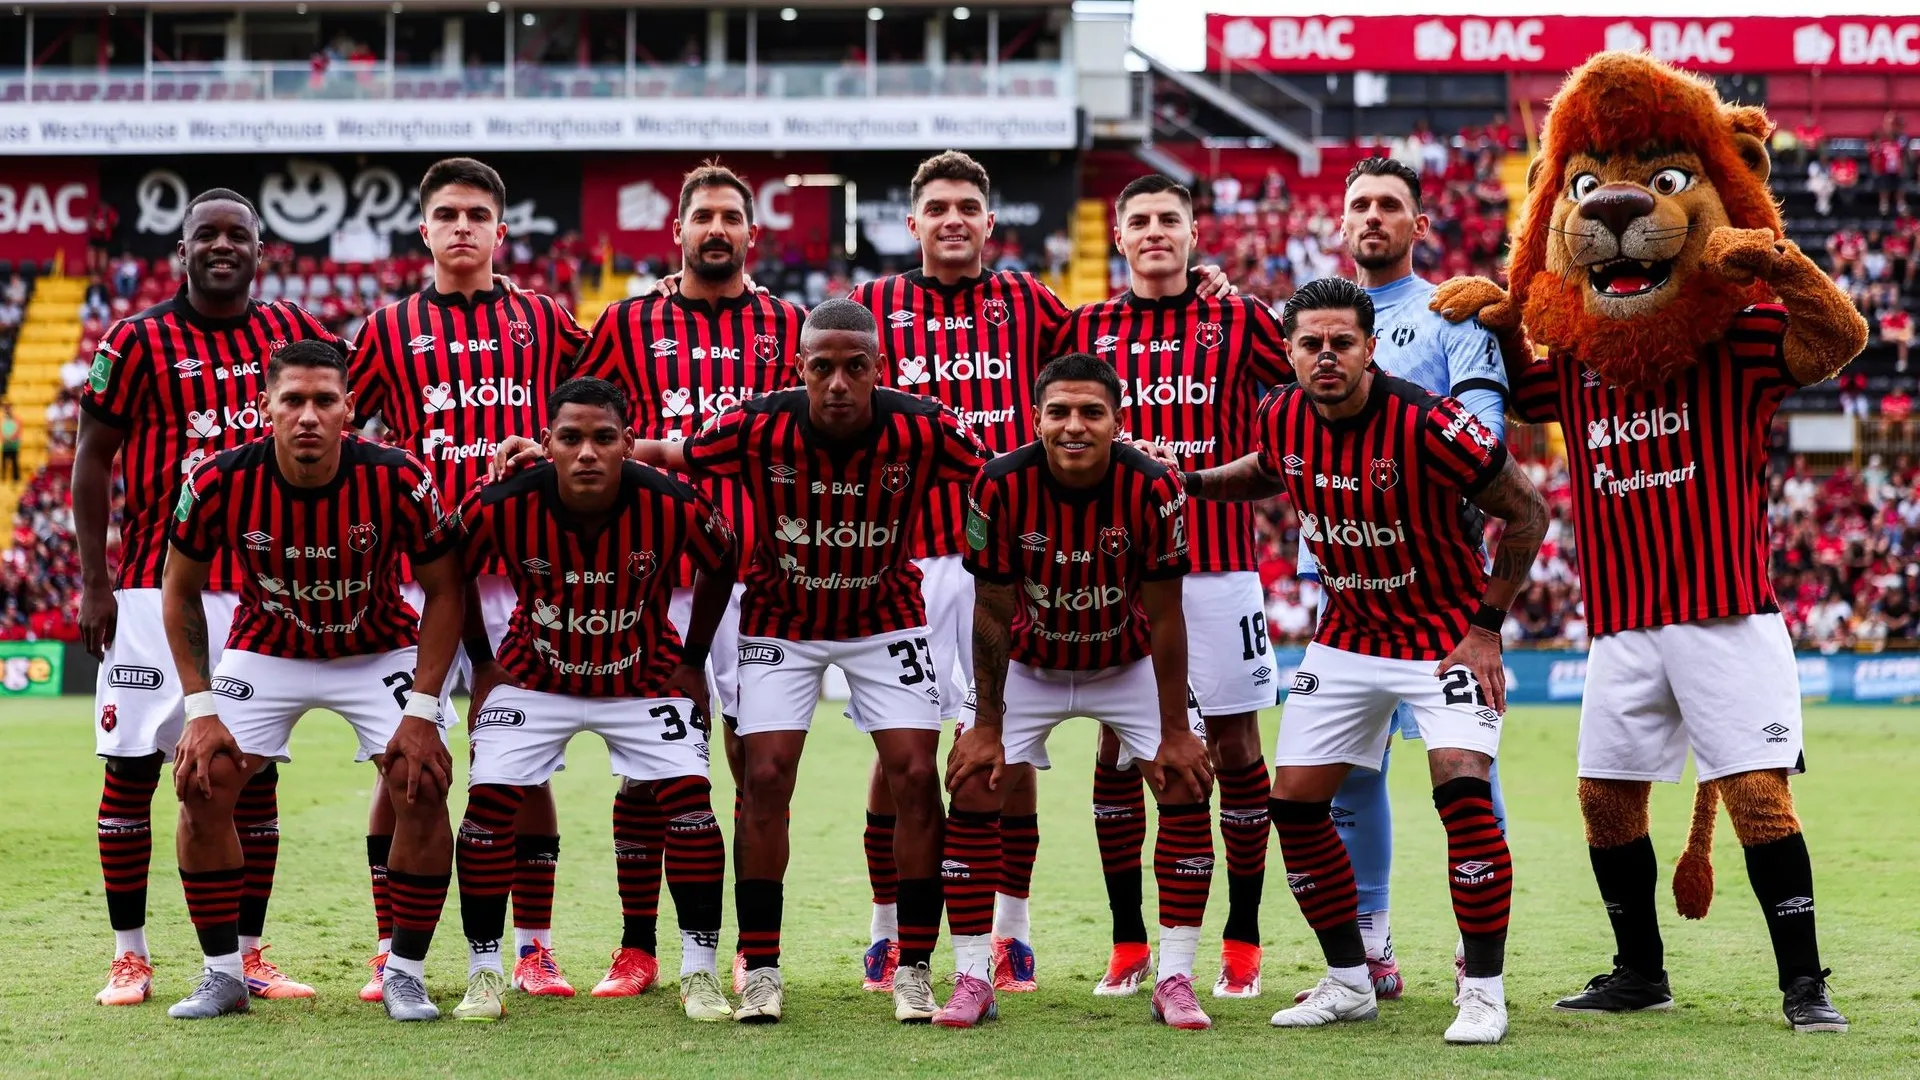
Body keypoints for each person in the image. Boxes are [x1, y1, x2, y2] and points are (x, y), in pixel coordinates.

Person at [845, 152, 1234, 994]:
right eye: (937, 207)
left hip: (1021, 560)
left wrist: (1206, 285)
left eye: (969, 207)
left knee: (1006, 754)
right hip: (910, 560)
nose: (953, 219)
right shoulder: (870, 310)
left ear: (991, 223)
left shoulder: (1036, 306)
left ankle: (1009, 935)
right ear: (913, 223)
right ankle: (887, 929)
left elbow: (1123, 339)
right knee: (905, 752)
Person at [1181, 278, 1547, 1043]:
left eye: (1341, 342)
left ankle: (1482, 992)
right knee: (1294, 806)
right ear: (1288, 351)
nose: (1325, 356)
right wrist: (1185, 482)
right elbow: (1264, 470)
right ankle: (1350, 981)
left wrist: (1486, 629)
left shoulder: (1429, 423)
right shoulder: (1281, 414)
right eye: (1310, 343)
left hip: (1444, 634)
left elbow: (1528, 509)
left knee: (1465, 799)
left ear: (1370, 348)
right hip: (1348, 635)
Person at [623, 299, 991, 1025]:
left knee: (917, 775)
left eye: (856, 367)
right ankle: (760, 967)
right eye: (822, 367)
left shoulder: (924, 426)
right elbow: (670, 455)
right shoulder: (756, 422)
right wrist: (571, 452)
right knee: (763, 776)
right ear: (800, 368)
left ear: (879, 369)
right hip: (781, 619)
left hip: (885, 616)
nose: (838, 384)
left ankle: (913, 966)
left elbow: (999, 481)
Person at [75, 188, 338, 1007]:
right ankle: (130, 956)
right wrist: (95, 579)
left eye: (238, 236)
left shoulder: (290, 340)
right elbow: (92, 458)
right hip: (156, 589)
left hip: (259, 588)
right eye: (205, 235)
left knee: (249, 777)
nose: (222, 247)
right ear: (180, 250)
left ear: (262, 250)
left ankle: (248, 954)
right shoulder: (136, 339)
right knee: (130, 775)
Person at [161, 340, 463, 1021]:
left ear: (349, 408)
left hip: (376, 646)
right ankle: (223, 973)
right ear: (264, 406)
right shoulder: (217, 481)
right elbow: (179, 592)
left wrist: (423, 706)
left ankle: (405, 971)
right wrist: (200, 707)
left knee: (423, 782)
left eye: (324, 400)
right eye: (292, 399)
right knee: (201, 778)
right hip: (267, 648)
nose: (307, 415)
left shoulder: (396, 478)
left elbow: (446, 591)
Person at [348, 156, 588, 1003]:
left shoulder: (549, 323)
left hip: (518, 574)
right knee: (399, 764)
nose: (461, 227)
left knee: (520, 766)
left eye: (475, 214)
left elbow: (595, 420)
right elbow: (343, 432)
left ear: (499, 230)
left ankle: (534, 947)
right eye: (446, 213)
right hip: (415, 578)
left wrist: (547, 451)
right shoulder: (384, 330)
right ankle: (390, 945)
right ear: (424, 229)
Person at [1052, 173, 1292, 998]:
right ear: (1118, 237)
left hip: (1220, 570)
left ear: (1196, 234)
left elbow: (1311, 381)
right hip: (1113, 576)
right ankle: (1128, 942)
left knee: (1234, 750)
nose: (1155, 232)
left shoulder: (1242, 317)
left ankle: (1244, 937)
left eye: (1170, 220)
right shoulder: (1086, 326)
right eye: (1140, 221)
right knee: (1119, 752)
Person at [568, 161, 804, 996]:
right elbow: (572, 410)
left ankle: (750, 946)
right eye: (701, 215)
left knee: (756, 767)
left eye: (729, 217)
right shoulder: (625, 322)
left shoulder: (789, 325)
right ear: (677, 233)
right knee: (646, 764)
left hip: (761, 579)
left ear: (751, 231)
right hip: (648, 581)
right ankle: (637, 947)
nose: (715, 228)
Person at [938, 354, 1216, 1031]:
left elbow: (1170, 612)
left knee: (1184, 779)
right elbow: (992, 612)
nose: (1074, 425)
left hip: (1125, 660)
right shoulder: (997, 485)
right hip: (1030, 664)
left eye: (1091, 412)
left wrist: (1177, 727)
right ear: (1036, 420)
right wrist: (985, 721)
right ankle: (974, 975)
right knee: (974, 780)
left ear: (1118, 422)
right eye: (1058, 411)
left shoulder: (1155, 488)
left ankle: (1175, 975)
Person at [450, 377, 737, 1023]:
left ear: (627, 445)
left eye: (603, 438)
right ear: (546, 444)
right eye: (571, 438)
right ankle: (484, 971)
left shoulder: (672, 502)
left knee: (691, 808)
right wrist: (481, 659)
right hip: (533, 677)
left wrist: (692, 661)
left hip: (643, 676)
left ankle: (698, 970)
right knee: (488, 806)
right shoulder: (501, 501)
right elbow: (449, 564)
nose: (586, 452)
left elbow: (723, 557)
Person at [1306, 154, 1515, 998]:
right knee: (1351, 773)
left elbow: (1485, 431)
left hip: (1441, 583)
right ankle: (1371, 948)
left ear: (1419, 225)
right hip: (1346, 580)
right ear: (1341, 221)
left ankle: (1478, 950)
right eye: (1360, 205)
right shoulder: (1320, 317)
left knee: (1468, 769)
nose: (1374, 218)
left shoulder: (1448, 314)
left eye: (1391, 205)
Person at [1, 403, 20, 483]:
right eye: (6, 408)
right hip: (5, 443)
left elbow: (18, 430)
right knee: (4, 462)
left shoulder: (16, 419)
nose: (7, 410)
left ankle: (15, 479)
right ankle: (3, 479)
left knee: (14, 462)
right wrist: (4, 438)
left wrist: (12, 437)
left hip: (13, 444)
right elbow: (1, 432)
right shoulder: (2, 420)